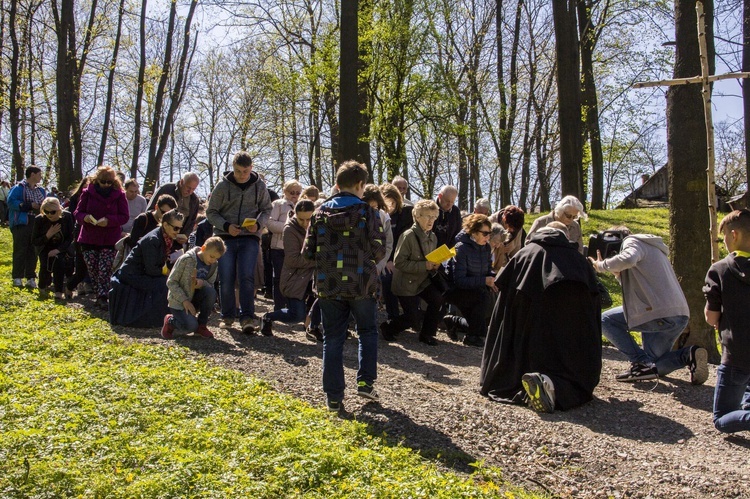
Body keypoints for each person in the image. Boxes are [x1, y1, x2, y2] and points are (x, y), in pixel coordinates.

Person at [480, 222, 603, 413]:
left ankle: (532, 380)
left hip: (530, 334)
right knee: (568, 371)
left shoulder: (525, 254)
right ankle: (553, 386)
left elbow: (505, 305)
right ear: (564, 236)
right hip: (569, 335)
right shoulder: (579, 261)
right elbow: (594, 307)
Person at [302, 160, 386, 412]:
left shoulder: (319, 213)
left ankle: (334, 396)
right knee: (368, 332)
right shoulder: (369, 212)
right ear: (361, 185)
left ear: (337, 185)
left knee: (332, 338)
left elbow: (307, 252)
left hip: (329, 284)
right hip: (361, 284)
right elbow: (379, 249)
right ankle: (365, 382)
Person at [590, 226, 708, 384]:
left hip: (657, 312)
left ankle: (639, 361)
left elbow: (628, 259)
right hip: (678, 315)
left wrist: (601, 265)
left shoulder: (632, 241)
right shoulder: (652, 249)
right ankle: (688, 354)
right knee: (653, 364)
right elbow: (639, 287)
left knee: (605, 320)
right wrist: (618, 275)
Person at [206, 151, 272, 334]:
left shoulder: (260, 186)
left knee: (246, 277)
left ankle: (247, 317)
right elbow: (211, 212)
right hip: (225, 237)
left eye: (245, 171)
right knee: (226, 277)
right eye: (237, 171)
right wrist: (226, 226)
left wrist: (258, 224)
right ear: (233, 168)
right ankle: (227, 315)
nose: (241, 175)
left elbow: (267, 209)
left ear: (251, 168)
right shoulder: (222, 186)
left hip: (250, 237)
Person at [703, 209, 750, 433]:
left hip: (736, 355)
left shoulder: (720, 269)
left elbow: (711, 317)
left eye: (724, 238)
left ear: (734, 235)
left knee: (721, 419)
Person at [382, 199, 446, 345]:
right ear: (417, 216)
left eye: (434, 217)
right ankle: (388, 327)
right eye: (428, 216)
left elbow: (428, 260)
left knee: (437, 299)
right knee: (412, 318)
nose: (432, 221)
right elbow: (399, 263)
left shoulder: (433, 236)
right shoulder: (408, 236)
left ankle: (427, 334)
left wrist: (435, 264)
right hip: (406, 283)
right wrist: (425, 265)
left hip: (423, 281)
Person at [109, 209, 184, 327]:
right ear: (165, 224)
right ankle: (161, 320)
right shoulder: (153, 240)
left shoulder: (164, 236)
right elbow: (152, 270)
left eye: (180, 228)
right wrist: (168, 273)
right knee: (167, 283)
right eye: (176, 228)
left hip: (141, 272)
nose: (178, 232)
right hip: (132, 275)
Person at [74, 166, 129, 309]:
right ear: (97, 180)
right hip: (89, 237)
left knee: (105, 268)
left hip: (109, 238)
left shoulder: (120, 195)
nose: (106, 185)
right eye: (103, 182)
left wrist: (109, 221)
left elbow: (124, 216)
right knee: (93, 268)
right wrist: (85, 217)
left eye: (109, 182)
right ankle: (99, 293)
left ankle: (103, 296)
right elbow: (77, 213)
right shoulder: (87, 193)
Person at [260, 199, 316, 335]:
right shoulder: (290, 229)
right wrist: (319, 261)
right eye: (301, 219)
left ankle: (316, 328)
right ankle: (269, 317)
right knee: (296, 315)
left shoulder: (318, 226)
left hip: (314, 276)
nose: (305, 223)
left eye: (308, 219)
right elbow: (293, 260)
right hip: (295, 277)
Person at [444, 214, 496, 347]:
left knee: (481, 325)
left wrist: (493, 278)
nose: (488, 237)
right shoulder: (461, 248)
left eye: (489, 233)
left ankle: (456, 323)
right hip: (457, 291)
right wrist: (484, 281)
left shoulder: (486, 247)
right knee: (483, 297)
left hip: (476, 289)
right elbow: (459, 280)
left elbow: (488, 269)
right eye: (485, 233)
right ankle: (472, 336)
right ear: (473, 232)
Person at [162, 236, 226, 339]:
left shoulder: (214, 265)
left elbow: (210, 284)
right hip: (179, 301)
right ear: (203, 248)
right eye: (211, 256)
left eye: (216, 258)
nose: (213, 260)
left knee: (211, 292)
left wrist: (202, 283)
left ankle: (201, 325)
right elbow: (171, 282)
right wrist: (184, 300)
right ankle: (171, 321)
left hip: (195, 299)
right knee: (190, 327)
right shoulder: (187, 259)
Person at [8, 166, 47, 288]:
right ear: (32, 174)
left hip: (36, 222)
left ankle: (31, 277)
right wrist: (28, 205)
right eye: (39, 174)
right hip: (22, 222)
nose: (41, 176)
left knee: (33, 250)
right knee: (20, 249)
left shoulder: (41, 190)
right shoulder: (19, 188)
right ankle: (17, 277)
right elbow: (11, 201)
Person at [379, 183, 414, 321]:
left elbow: (403, 240)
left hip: (402, 257)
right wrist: (386, 260)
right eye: (387, 203)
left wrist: (395, 260)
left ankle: (411, 316)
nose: (390, 207)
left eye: (392, 203)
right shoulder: (378, 215)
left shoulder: (406, 214)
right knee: (388, 278)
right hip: (385, 259)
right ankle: (392, 316)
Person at [267, 180, 302, 311]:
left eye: (298, 192)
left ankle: (292, 307)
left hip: (296, 248)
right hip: (279, 247)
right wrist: (289, 228)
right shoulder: (278, 204)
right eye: (292, 192)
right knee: (279, 277)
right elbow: (269, 223)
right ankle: (279, 307)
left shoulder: (301, 205)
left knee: (294, 278)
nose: (295, 195)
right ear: (285, 191)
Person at [31, 197, 75, 299]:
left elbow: (70, 237)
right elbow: (34, 240)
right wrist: (48, 235)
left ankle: (58, 291)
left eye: (53, 212)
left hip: (61, 246)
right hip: (44, 246)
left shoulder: (67, 217)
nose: (50, 214)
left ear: (59, 210)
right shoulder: (39, 219)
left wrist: (59, 250)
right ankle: (42, 286)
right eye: (47, 212)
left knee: (59, 263)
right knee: (45, 265)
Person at [147, 172, 200, 239]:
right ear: (181, 182)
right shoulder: (166, 189)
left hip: (177, 239)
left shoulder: (194, 200)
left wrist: (186, 235)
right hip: (156, 235)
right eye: (188, 187)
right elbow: (150, 210)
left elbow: (192, 221)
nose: (190, 191)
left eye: (193, 189)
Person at [488, 205, 525, 271]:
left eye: (514, 229)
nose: (512, 231)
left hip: (504, 268)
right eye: (510, 227)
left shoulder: (517, 227)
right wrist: (499, 248)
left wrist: (512, 248)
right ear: (504, 218)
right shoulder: (489, 222)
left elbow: (516, 252)